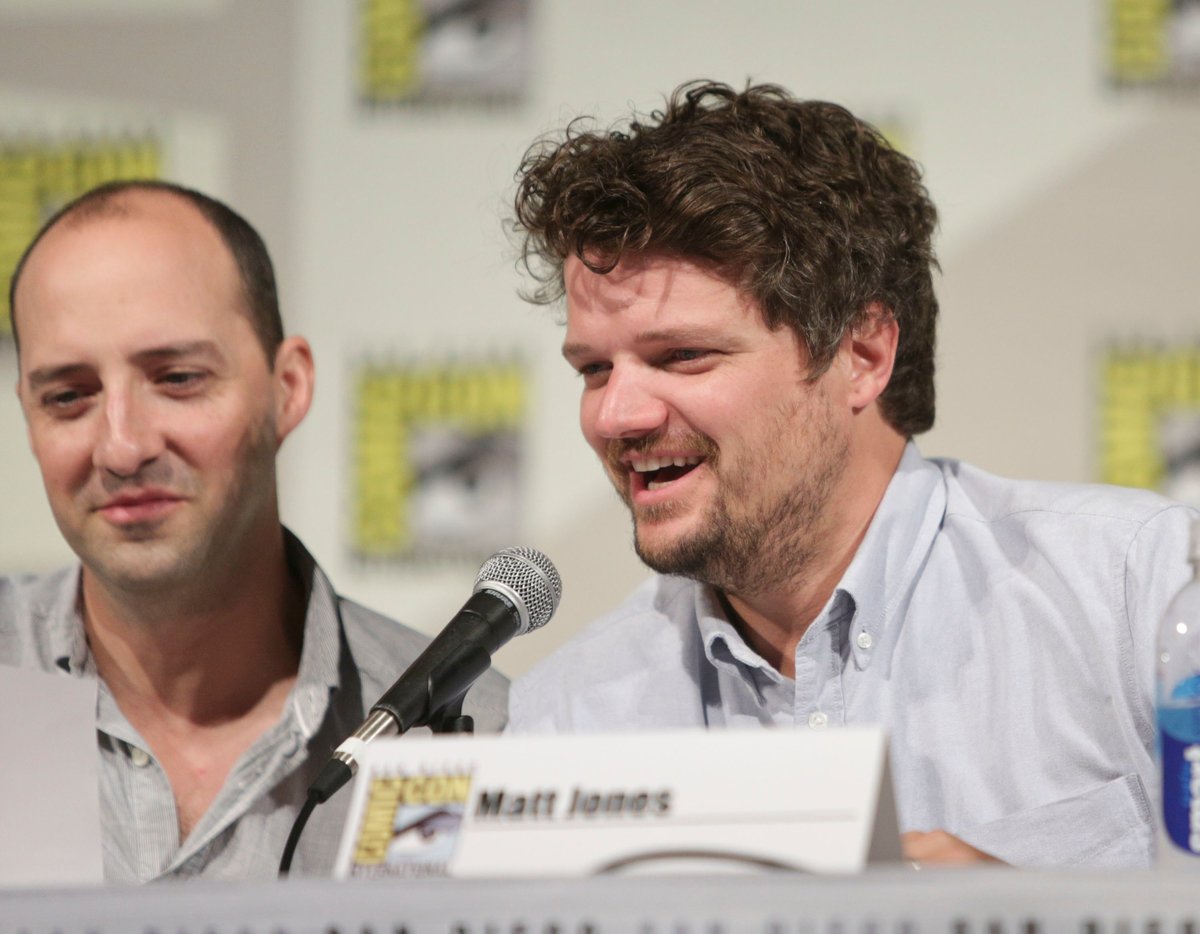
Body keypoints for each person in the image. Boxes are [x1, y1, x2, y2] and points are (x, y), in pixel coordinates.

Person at [506, 80, 1195, 868]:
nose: (615, 416)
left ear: (862, 356)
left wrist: (1020, 919)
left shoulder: (1141, 600)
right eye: (594, 369)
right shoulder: (563, 719)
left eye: (682, 356)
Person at [0, 180, 507, 882]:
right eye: (68, 396)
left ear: (287, 388)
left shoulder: (466, 732)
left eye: (176, 377)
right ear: (28, 417)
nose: (121, 447)